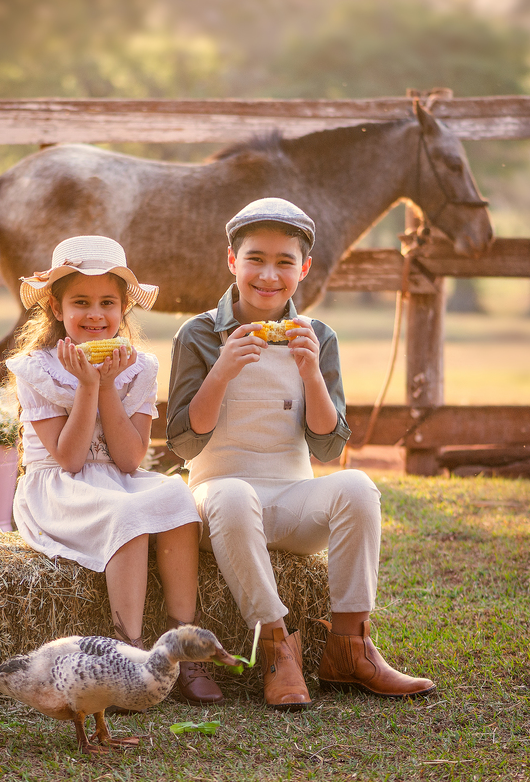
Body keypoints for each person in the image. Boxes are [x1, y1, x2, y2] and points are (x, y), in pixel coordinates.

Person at [166, 198, 435, 710]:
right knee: (230, 493)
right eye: (255, 259)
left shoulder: (319, 336)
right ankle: (275, 647)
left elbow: (330, 447)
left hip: (292, 501)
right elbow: (182, 442)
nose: (269, 275)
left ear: (304, 268)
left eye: (285, 262)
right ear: (231, 261)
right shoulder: (198, 334)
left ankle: (349, 647)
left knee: (358, 487)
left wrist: (311, 372)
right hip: (218, 504)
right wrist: (221, 371)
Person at [5, 234, 222, 705]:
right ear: (57, 309)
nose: (95, 314)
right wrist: (86, 387)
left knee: (176, 498)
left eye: (108, 302)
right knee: (127, 515)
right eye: (80, 302)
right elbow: (70, 459)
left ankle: (184, 648)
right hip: (60, 487)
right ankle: (133, 657)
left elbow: (129, 460)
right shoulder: (35, 368)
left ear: (124, 309)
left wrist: (107, 388)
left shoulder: (140, 366)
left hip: (117, 476)